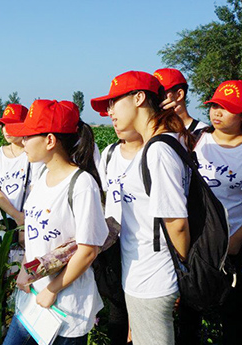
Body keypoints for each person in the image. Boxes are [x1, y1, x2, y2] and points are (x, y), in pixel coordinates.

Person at [91, 70, 192, 345]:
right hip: (139, 275)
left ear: (138, 98)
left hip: (153, 277)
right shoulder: (155, 146)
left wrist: (181, 274)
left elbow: (177, 223)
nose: (110, 111)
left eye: (114, 102)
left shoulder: (158, 150)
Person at [2, 99, 108, 345]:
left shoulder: (81, 184)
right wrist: (26, 270)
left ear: (50, 140)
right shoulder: (41, 176)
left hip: (66, 309)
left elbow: (88, 250)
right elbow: (35, 232)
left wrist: (53, 289)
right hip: (34, 300)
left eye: (28, 136)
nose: (23, 142)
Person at [193, 80, 242, 344]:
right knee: (191, 314)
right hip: (196, 246)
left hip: (237, 247)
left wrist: (235, 242)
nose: (217, 113)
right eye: (214, 106)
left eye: (226, 108)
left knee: (233, 318)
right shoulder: (195, 141)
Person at [98, 124, 143, 345]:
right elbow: (103, 197)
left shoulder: (155, 153)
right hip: (115, 245)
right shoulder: (109, 153)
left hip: (145, 249)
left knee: (143, 317)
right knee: (118, 307)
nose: (115, 120)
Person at [0, 103, 29, 270]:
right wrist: (16, 216)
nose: (6, 130)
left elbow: (35, 190)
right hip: (2, 221)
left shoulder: (32, 154)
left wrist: (23, 223)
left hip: (26, 222)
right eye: (4, 125)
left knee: (21, 273)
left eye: (11, 125)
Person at [153, 68, 209, 132]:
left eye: (161, 93)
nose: (156, 98)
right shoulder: (154, 130)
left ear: (179, 95)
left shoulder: (203, 132)